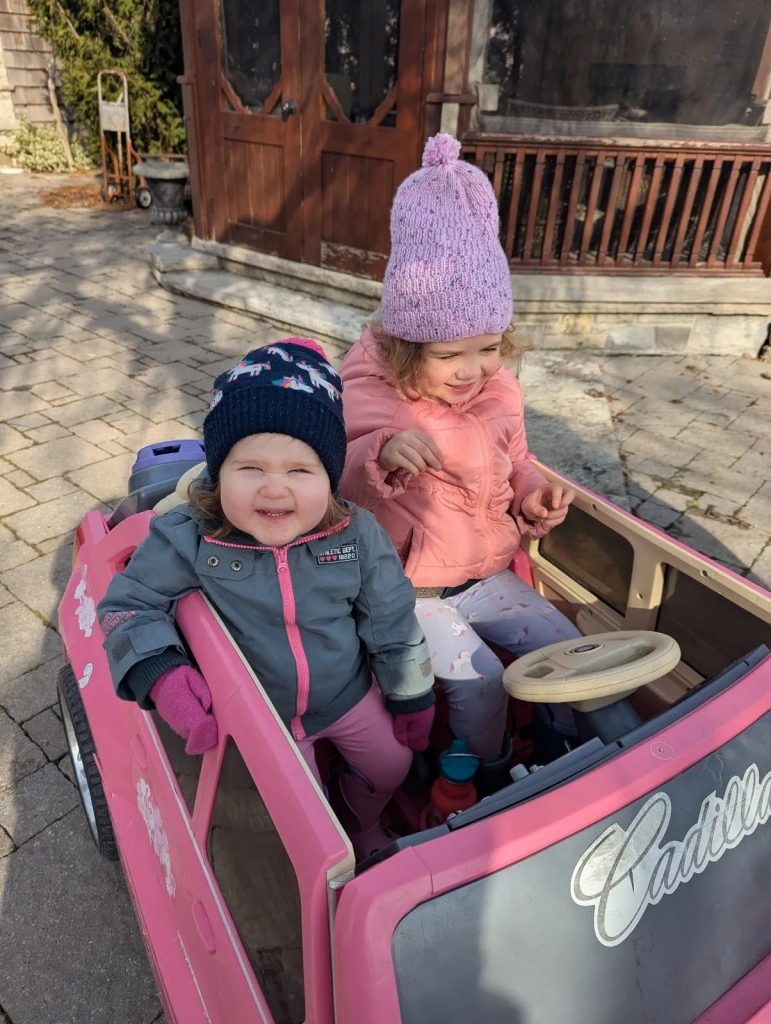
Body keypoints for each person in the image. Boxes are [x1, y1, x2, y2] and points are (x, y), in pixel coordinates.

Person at [97, 338, 435, 858]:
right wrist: (163, 674)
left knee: (394, 764)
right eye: (250, 468)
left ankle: (363, 819)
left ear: (329, 476)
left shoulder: (356, 534)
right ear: (218, 473)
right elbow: (127, 604)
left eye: (300, 471)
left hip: (345, 694)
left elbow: (391, 616)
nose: (275, 490)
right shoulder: (190, 534)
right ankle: (337, 843)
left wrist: (411, 690)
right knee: (306, 823)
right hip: (263, 721)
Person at [339, 133, 580, 786]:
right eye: (448, 355)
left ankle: (569, 745)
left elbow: (516, 458)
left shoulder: (500, 390)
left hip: (487, 571)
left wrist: (531, 492)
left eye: (488, 348)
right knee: (482, 683)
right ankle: (490, 774)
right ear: (406, 345)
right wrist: (379, 455)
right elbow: (338, 479)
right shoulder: (375, 392)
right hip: (409, 590)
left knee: (567, 648)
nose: (471, 370)